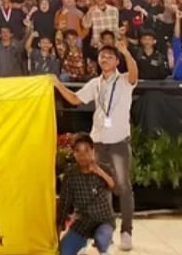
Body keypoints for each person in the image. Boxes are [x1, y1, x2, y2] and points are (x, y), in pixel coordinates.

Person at [53, 38, 139, 252]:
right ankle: (103, 231)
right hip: (98, 141)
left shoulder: (124, 80)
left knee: (122, 186)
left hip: (118, 140)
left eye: (110, 56)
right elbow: (75, 99)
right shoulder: (95, 83)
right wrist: (57, 84)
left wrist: (126, 52)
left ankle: (126, 231)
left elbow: (134, 73)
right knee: (99, 187)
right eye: (102, 56)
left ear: (117, 61)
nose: (105, 59)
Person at [58, 133, 116, 255]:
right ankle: (82, 244)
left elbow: (114, 187)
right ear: (73, 153)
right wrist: (60, 225)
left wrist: (99, 172)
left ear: (93, 151)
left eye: (86, 150)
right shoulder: (70, 175)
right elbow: (65, 202)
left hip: (103, 220)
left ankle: (101, 246)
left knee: (101, 241)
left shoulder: (102, 168)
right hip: (82, 222)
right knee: (64, 250)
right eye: (78, 151)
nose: (82, 155)